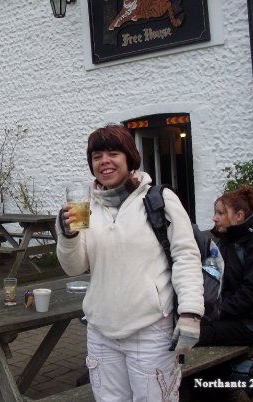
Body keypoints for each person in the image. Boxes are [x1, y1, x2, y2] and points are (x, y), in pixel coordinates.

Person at [56, 124, 204, 402]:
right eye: (97, 156)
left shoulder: (159, 200)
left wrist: (190, 313)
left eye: (113, 153)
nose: (105, 161)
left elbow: (186, 257)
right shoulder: (85, 207)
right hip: (101, 330)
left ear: (129, 158)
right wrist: (68, 235)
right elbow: (74, 267)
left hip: (151, 329)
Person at [198, 185, 253, 347]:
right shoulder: (226, 241)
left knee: (196, 335)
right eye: (215, 213)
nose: (214, 218)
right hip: (232, 316)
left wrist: (215, 312)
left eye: (220, 213)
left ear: (239, 216)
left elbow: (250, 294)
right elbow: (212, 278)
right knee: (183, 327)